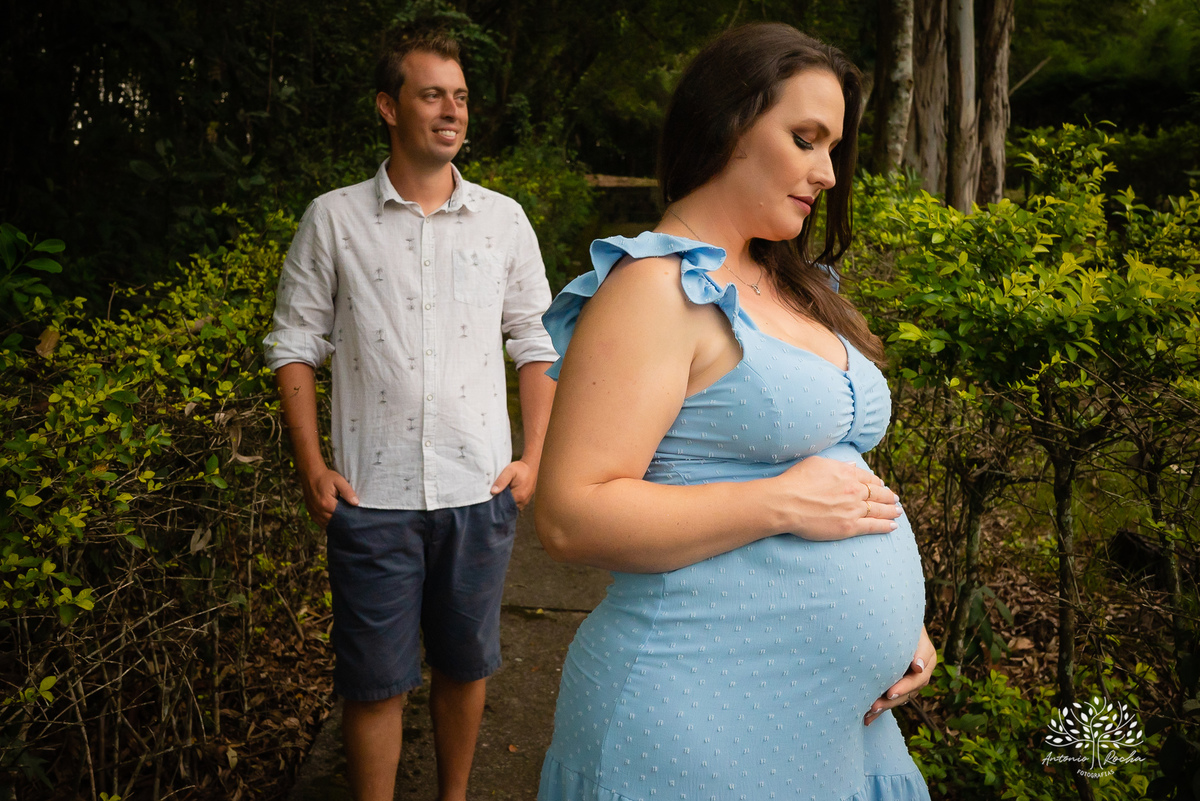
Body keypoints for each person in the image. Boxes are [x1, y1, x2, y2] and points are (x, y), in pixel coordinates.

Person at [534, 22, 935, 801]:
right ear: (728, 123)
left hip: (837, 722)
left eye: (833, 148)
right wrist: (777, 502)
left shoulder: (792, 282)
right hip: (699, 715)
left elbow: (837, 473)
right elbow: (569, 516)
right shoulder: (654, 288)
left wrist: (897, 625)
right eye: (805, 138)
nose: (825, 172)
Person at [262, 30, 558, 801]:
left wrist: (535, 456)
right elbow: (294, 343)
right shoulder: (333, 219)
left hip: (478, 486)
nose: (451, 110)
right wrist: (311, 464)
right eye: (432, 94)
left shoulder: (503, 221)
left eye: (459, 96)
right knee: (374, 683)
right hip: (370, 495)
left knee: (466, 666)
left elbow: (536, 342)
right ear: (389, 107)